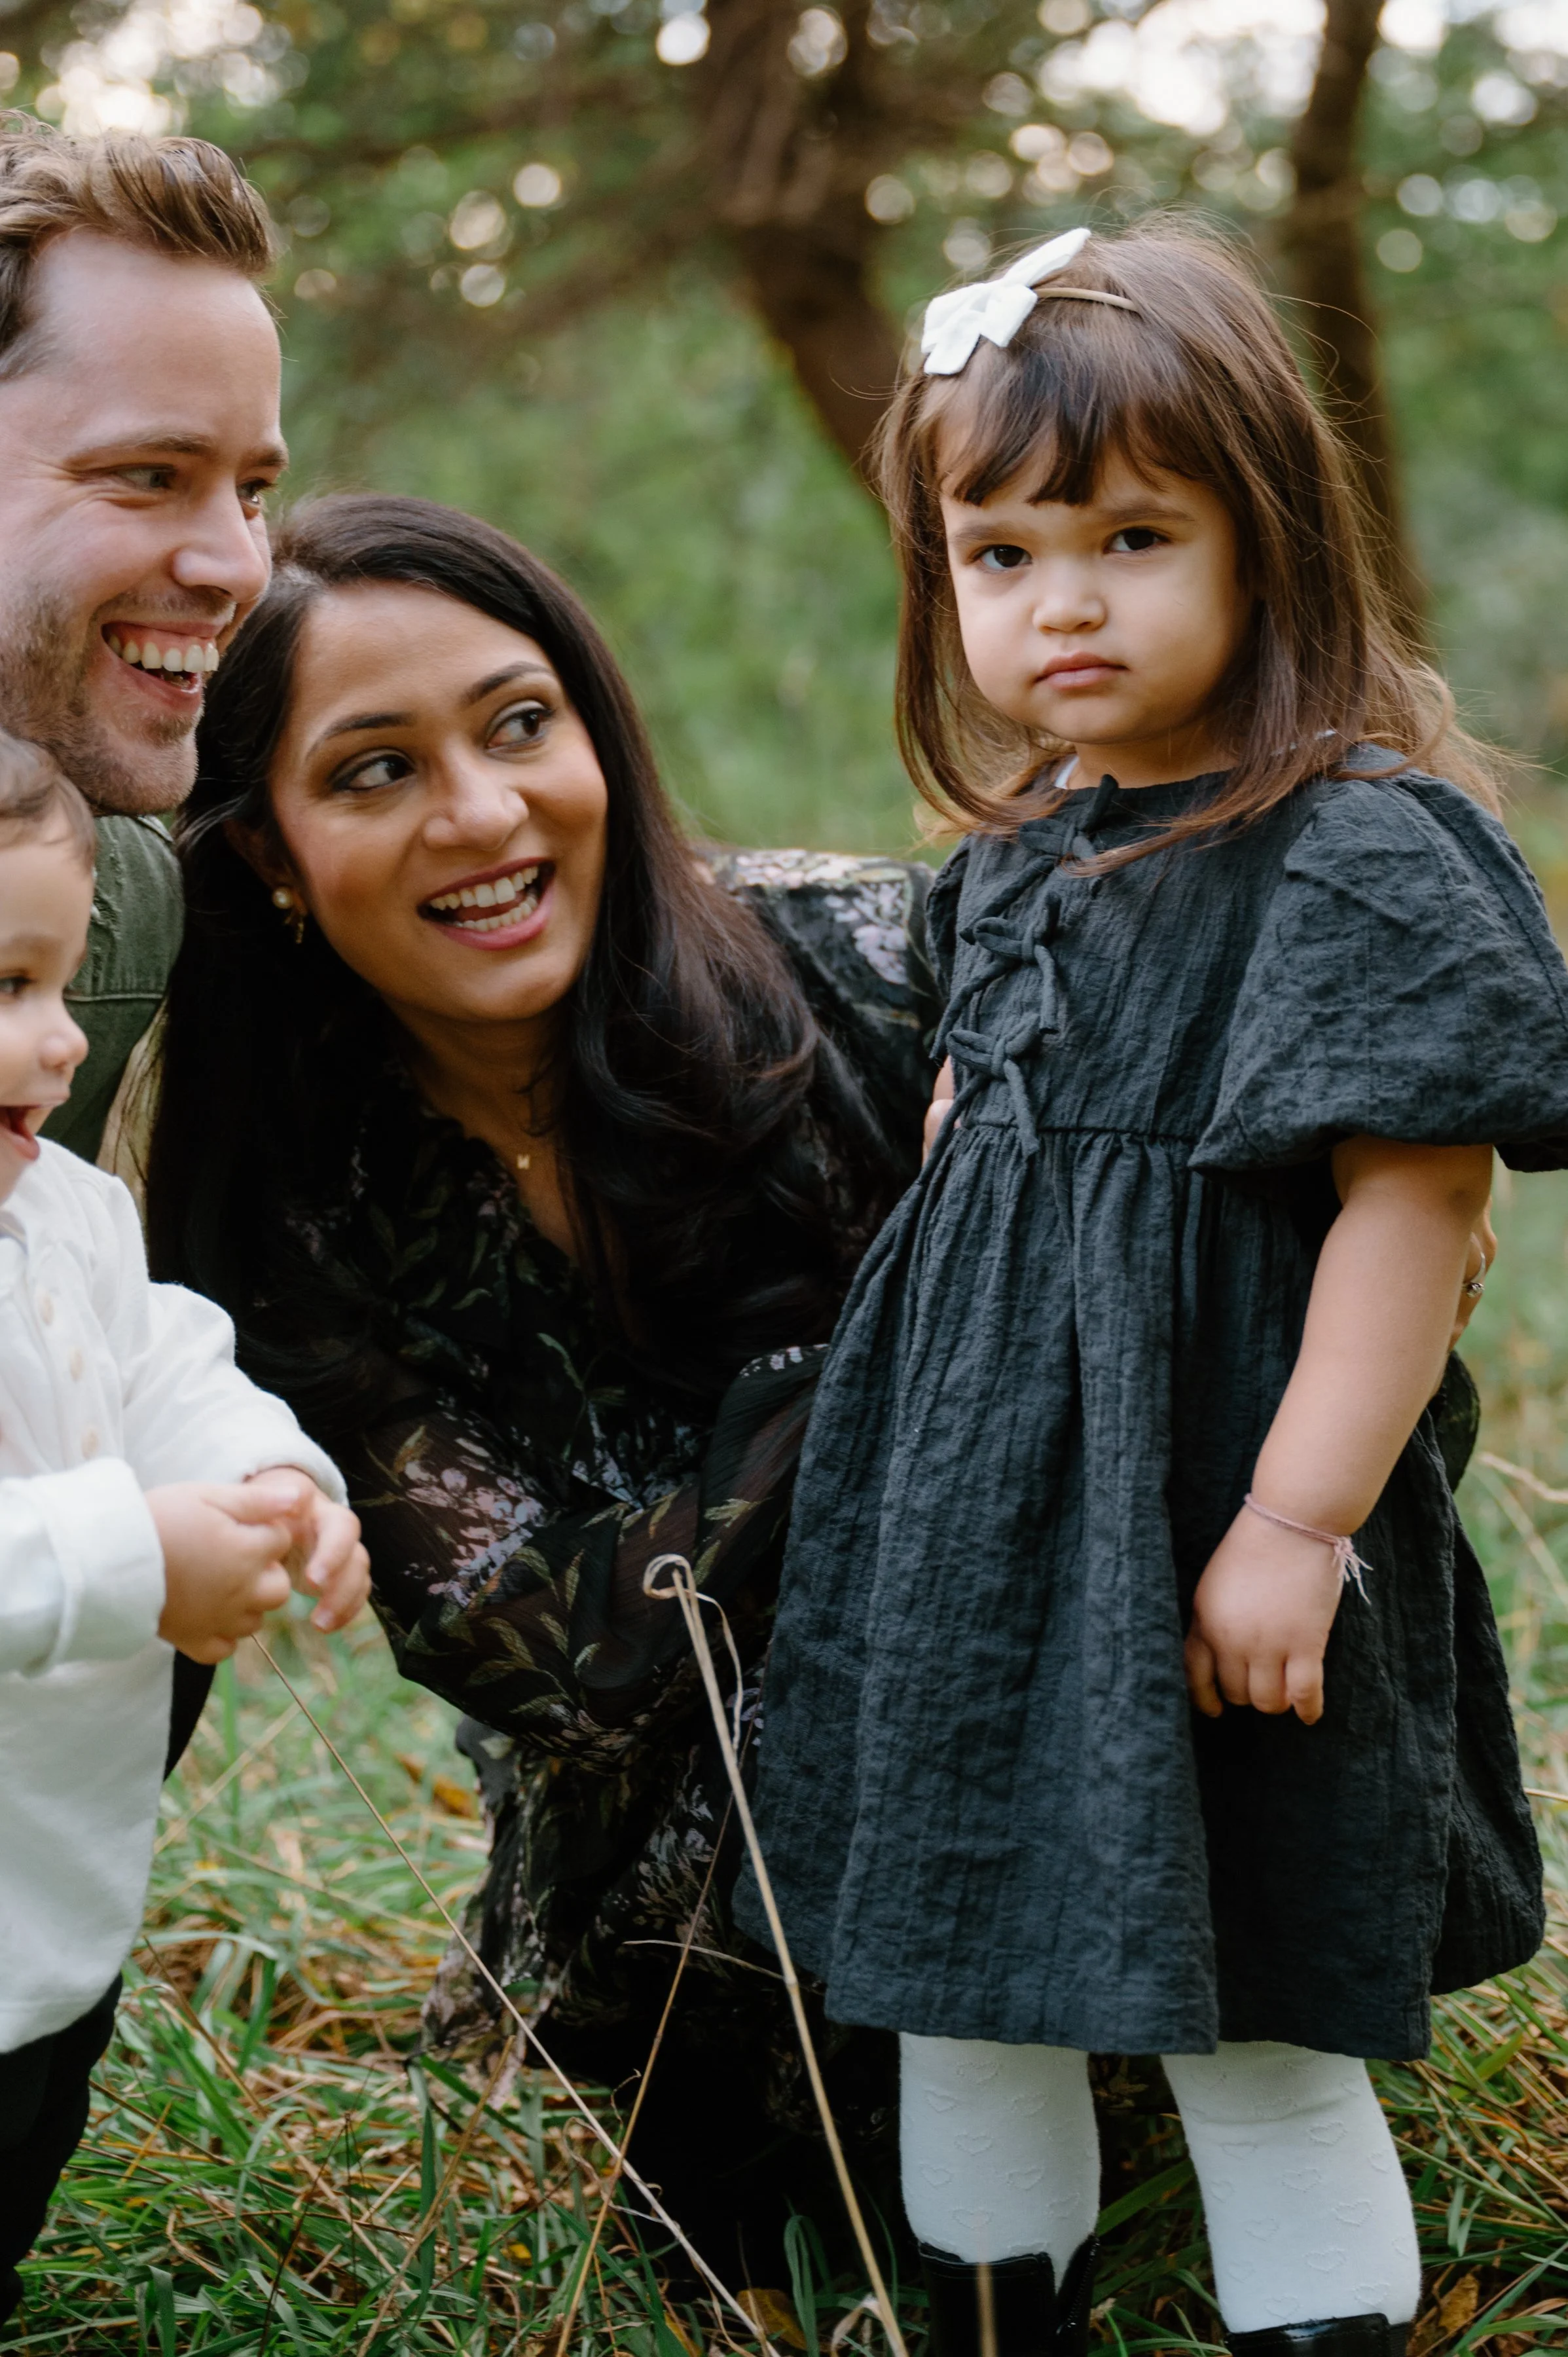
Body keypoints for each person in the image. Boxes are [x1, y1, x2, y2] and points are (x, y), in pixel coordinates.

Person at [742, 222, 1561, 2357]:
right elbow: (973, 1158)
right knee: (954, 1968)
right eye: (1001, 554)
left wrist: (1293, 1522)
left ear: (1263, 541)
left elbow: (1414, 1196)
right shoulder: (1013, 861)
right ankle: (992, 2324)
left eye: (1128, 535)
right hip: (980, 1544)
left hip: (1214, 1516)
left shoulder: (1348, 841)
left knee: (1254, 2010)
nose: (1064, 601)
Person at [137, 494, 941, 2284]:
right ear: (267, 852)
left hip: (1037, 1751)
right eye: (371, 772)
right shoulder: (293, 1224)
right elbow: (563, 1658)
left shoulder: (876, 966)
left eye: (521, 725)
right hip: (670, 1933)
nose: (484, 814)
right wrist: (918, 1359)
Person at [0, 732, 367, 2324]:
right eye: (3, 989)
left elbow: (163, 1360)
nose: (53, 1049)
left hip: (49, 1912)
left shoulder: (62, 1210)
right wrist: (142, 1557)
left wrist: (272, 1483)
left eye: (61, 988)